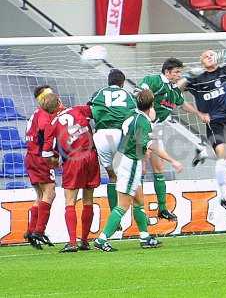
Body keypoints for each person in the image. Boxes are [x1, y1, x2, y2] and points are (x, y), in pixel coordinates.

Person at [94, 89, 183, 252]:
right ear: (152, 105)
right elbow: (152, 146)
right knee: (123, 205)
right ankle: (102, 239)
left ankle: (144, 236)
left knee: (139, 201)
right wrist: (173, 161)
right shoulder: (143, 122)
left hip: (122, 158)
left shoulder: (131, 114)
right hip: (130, 163)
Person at [178, 49, 226, 215]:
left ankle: (204, 153)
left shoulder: (225, 72)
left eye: (211, 55)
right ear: (201, 61)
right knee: (222, 158)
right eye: (205, 56)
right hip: (214, 122)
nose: (209, 57)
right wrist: (187, 76)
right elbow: (175, 91)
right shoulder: (197, 79)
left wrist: (224, 55)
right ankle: (225, 198)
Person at [138, 57, 207, 221]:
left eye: (180, 72)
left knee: (158, 168)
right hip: (142, 127)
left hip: (156, 129)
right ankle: (137, 210)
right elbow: (141, 94)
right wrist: (150, 108)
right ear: (167, 72)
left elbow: (183, 105)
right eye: (176, 72)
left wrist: (199, 114)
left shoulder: (174, 91)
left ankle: (162, 209)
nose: (178, 75)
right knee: (141, 168)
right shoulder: (153, 80)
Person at [40, 93, 100, 252]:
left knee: (70, 201)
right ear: (59, 101)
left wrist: (56, 163)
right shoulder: (78, 110)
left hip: (73, 159)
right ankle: (85, 241)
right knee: (88, 199)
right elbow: (96, 110)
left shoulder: (51, 125)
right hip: (91, 154)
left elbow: (46, 155)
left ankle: (72, 242)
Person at [89, 69, 137, 215]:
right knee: (130, 174)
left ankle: (113, 215)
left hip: (101, 135)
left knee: (112, 176)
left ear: (108, 81)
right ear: (122, 83)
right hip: (120, 134)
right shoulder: (128, 95)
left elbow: (90, 110)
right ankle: (138, 212)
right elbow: (134, 115)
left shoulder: (98, 93)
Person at [24, 85, 57, 249]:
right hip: (39, 157)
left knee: (41, 195)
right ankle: (39, 230)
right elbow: (45, 131)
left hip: (30, 157)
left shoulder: (35, 114)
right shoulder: (44, 115)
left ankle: (31, 231)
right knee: (50, 192)